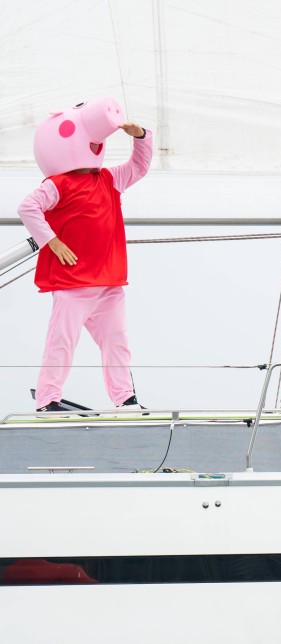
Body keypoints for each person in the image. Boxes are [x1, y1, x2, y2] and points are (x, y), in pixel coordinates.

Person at [17, 98, 152, 413]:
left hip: (108, 283)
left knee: (117, 341)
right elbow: (28, 208)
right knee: (61, 342)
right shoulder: (58, 184)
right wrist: (51, 242)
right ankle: (47, 400)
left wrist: (141, 137)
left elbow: (139, 167)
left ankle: (125, 398)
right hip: (73, 284)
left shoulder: (109, 179)